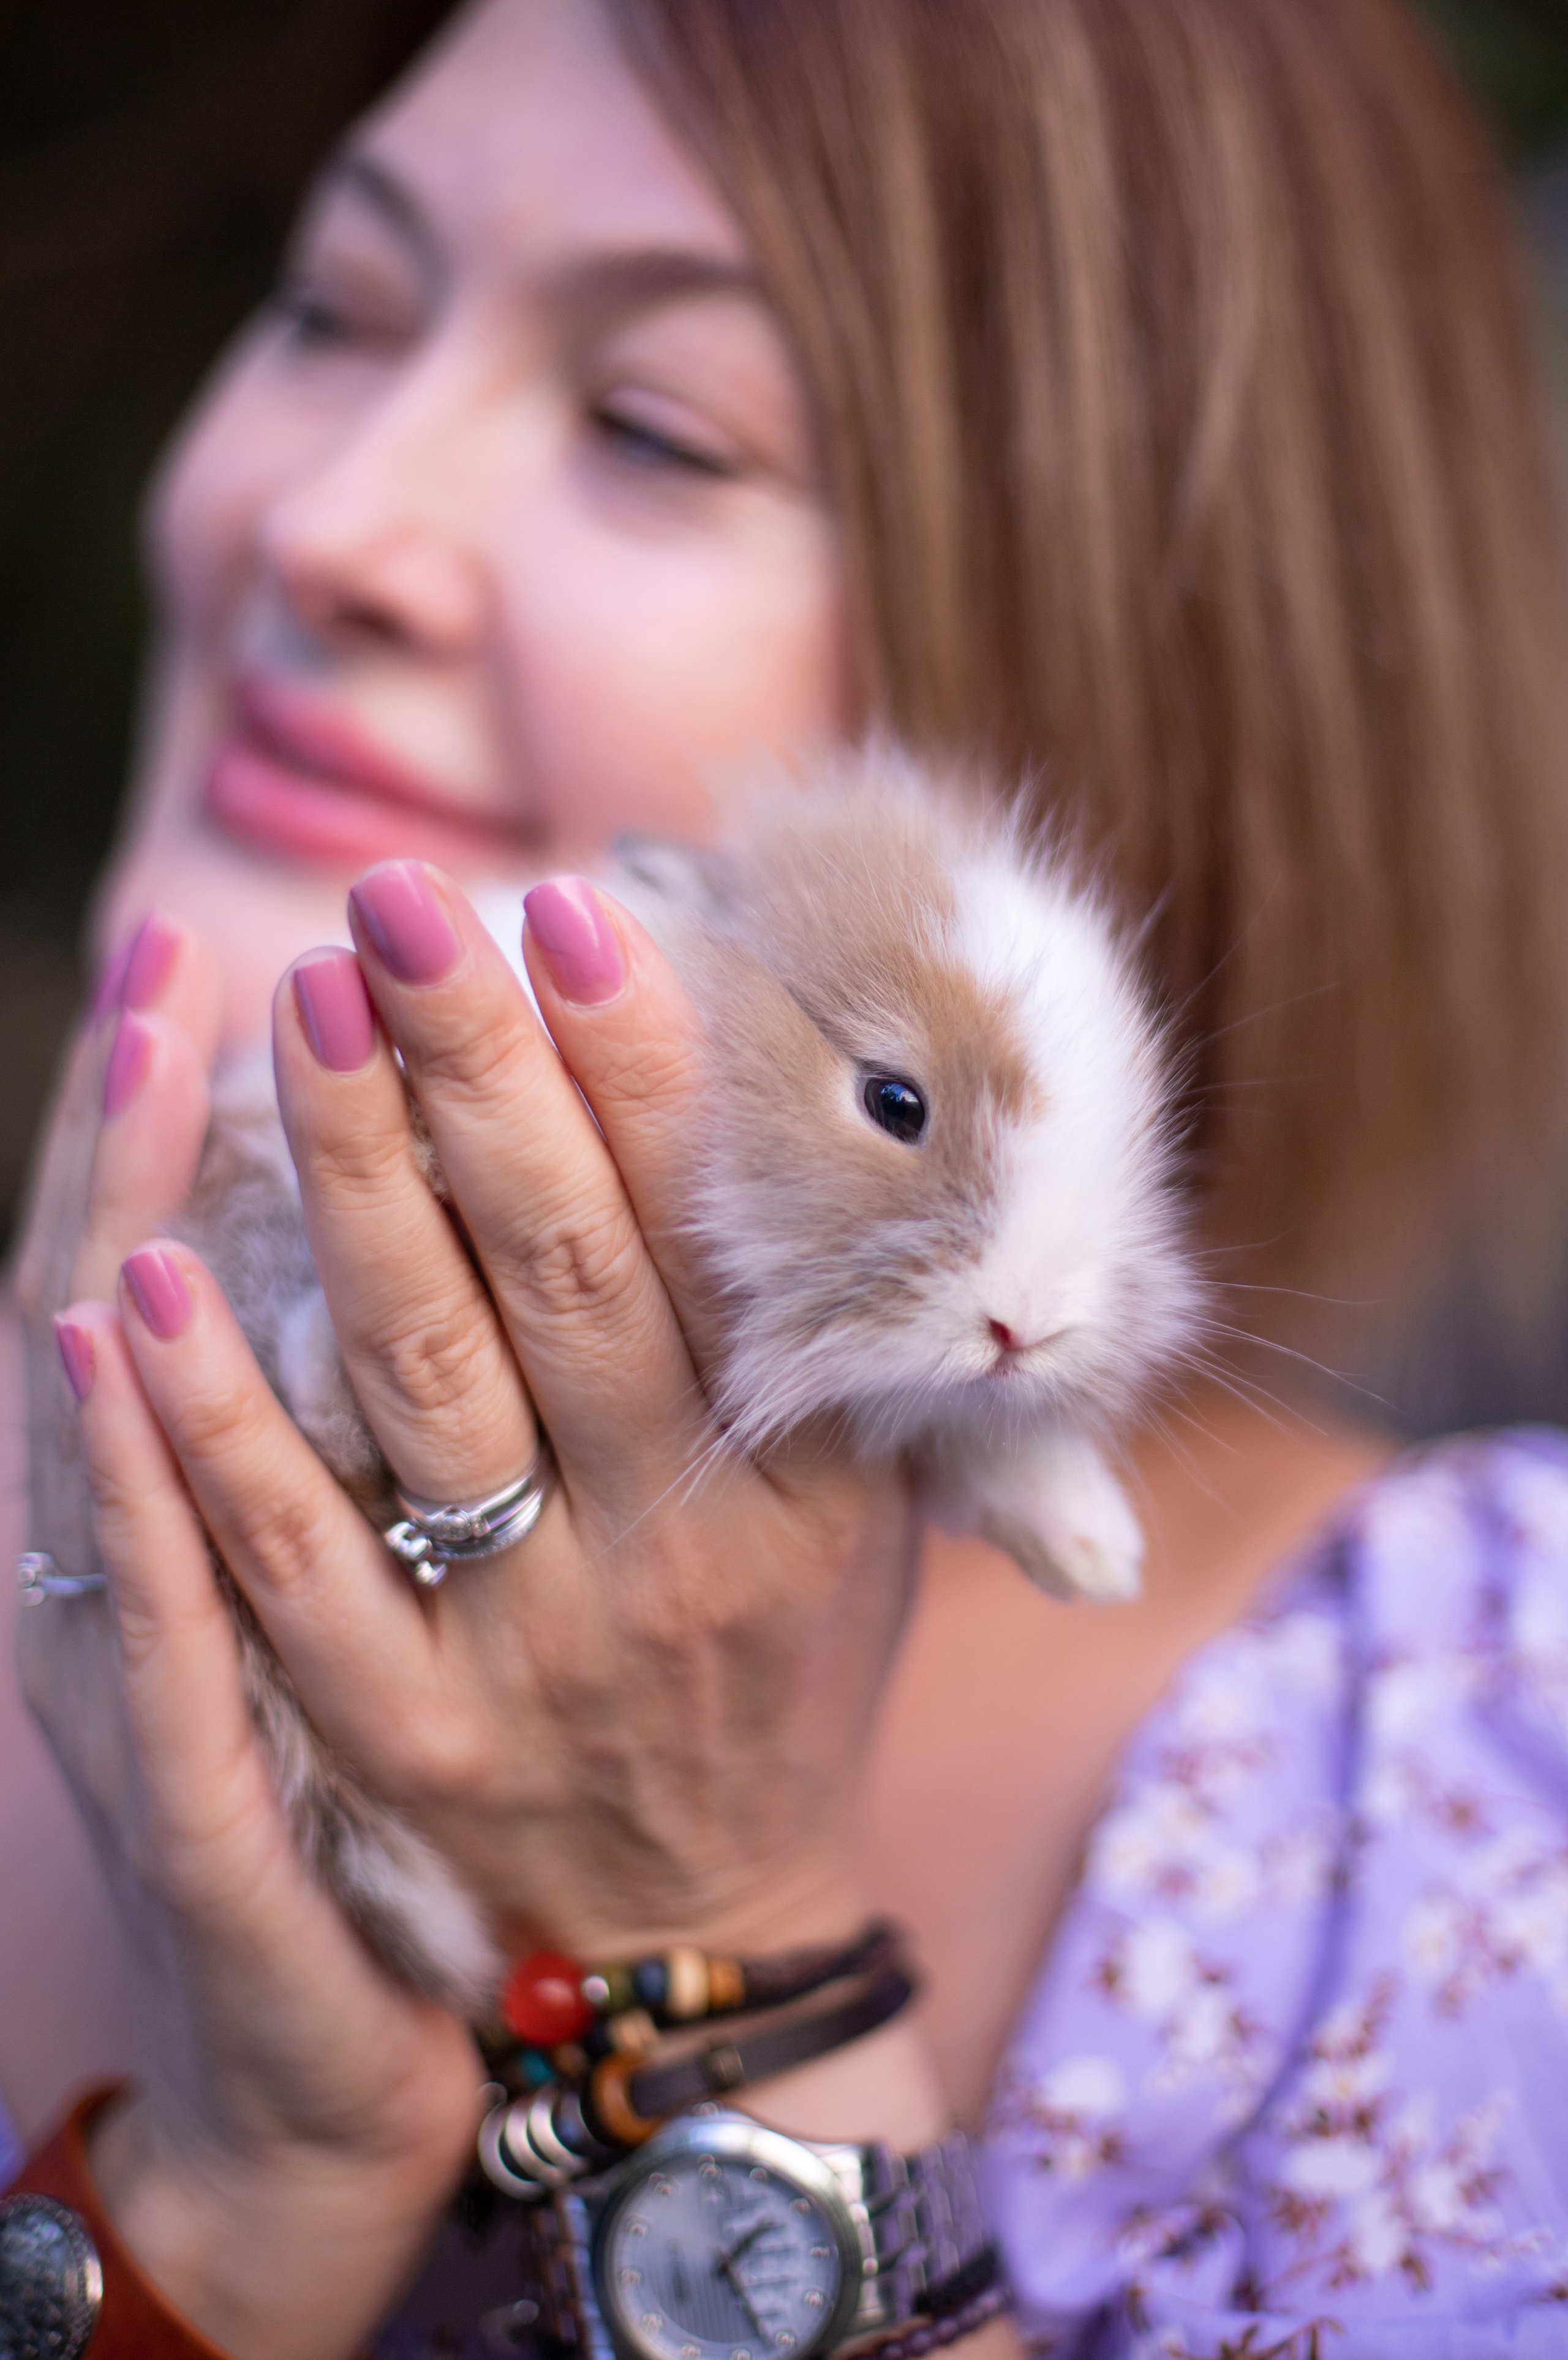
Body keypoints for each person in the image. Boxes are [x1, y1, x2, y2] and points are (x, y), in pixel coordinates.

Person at [5, 0, 1568, 2353]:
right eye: (333, 304)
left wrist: (709, 1949)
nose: (326, 526)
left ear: (1109, 700)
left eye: (656, 426)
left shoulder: (1479, 1783)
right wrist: (228, 2209)